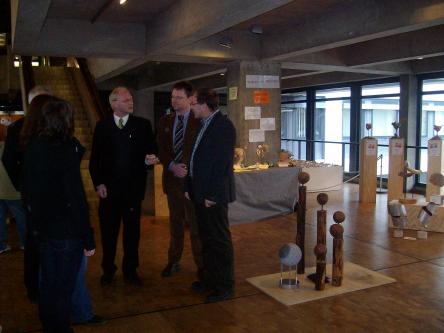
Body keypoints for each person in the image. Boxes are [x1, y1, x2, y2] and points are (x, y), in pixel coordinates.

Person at [22, 98, 96, 333]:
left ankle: (51, 326)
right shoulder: (65, 149)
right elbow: (75, 198)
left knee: (49, 286)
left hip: (42, 228)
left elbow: (28, 191)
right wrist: (88, 236)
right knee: (63, 289)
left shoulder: (34, 146)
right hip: (66, 232)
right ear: (66, 120)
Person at [89, 87, 158, 286]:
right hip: (108, 191)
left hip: (132, 191)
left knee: (132, 233)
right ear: (113, 103)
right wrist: (98, 183)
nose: (131, 102)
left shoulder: (142, 125)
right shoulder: (102, 126)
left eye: (131, 99)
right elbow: (95, 160)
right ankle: (108, 269)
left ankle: (130, 269)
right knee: (108, 233)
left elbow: (151, 150)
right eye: (126, 100)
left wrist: (151, 158)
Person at [185, 88, 236, 303]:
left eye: (194, 103)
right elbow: (196, 159)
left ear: (205, 105)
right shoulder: (203, 124)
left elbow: (221, 165)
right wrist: (190, 187)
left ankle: (224, 286)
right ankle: (209, 279)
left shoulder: (223, 126)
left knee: (219, 241)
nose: (191, 107)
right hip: (200, 194)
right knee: (206, 239)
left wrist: (212, 195)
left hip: (212, 196)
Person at [2, 89, 52, 302]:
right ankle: (34, 285)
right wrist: (23, 185)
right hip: (32, 196)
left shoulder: (52, 125)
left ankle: (45, 282)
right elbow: (9, 160)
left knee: (45, 241)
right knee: (33, 242)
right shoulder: (18, 128)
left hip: (48, 195)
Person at [157, 81, 203, 278]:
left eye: (179, 97)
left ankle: (202, 266)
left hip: (192, 183)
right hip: (172, 182)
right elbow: (162, 149)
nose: (174, 101)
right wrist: (171, 166)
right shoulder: (165, 121)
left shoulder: (199, 120)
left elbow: (201, 151)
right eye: (172, 97)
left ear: (190, 99)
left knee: (196, 228)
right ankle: (173, 260)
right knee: (175, 225)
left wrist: (187, 168)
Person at [0, 140, 26, 253]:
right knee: (21, 219)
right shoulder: (11, 146)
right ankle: (25, 243)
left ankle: (1, 245)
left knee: (0, 219)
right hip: (12, 191)